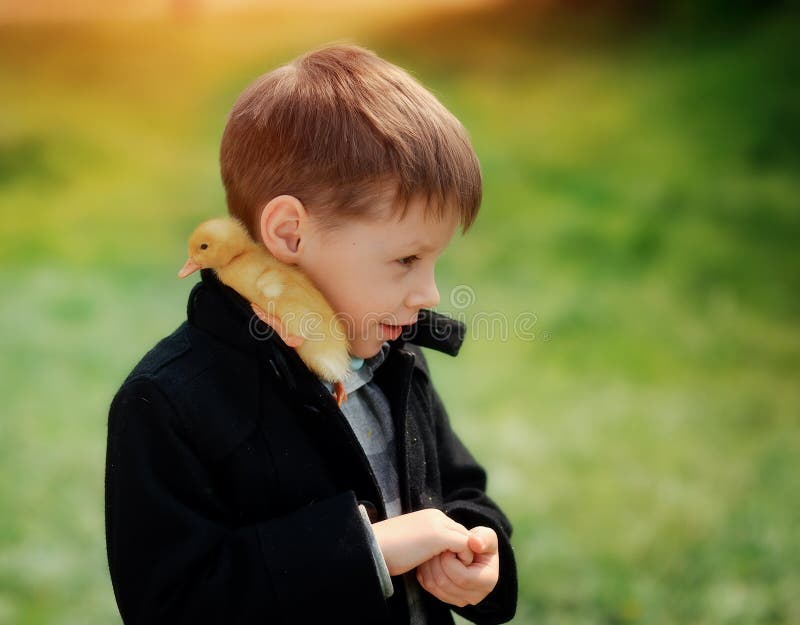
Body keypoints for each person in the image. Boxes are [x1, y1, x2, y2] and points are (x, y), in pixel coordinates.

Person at [105, 44, 517, 625]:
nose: (429, 295)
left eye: (434, 262)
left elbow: (459, 487)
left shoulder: (391, 359)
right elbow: (173, 602)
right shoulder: (170, 403)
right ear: (290, 234)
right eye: (405, 260)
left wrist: (479, 545)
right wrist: (368, 550)